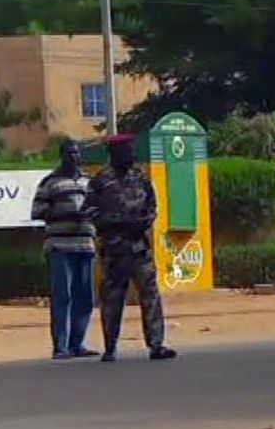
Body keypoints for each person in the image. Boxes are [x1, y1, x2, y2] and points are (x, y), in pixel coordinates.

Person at [82, 134, 177, 363]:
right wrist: (115, 222)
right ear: (114, 154)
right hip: (114, 250)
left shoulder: (140, 177)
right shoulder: (100, 180)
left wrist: (144, 221)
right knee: (113, 299)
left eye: (132, 151)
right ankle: (110, 347)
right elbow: (88, 211)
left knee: (150, 294)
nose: (131, 156)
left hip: (139, 247)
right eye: (126, 151)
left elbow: (152, 205)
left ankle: (156, 344)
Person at [31, 139, 98, 360]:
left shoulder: (90, 181)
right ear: (61, 155)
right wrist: (67, 214)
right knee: (63, 296)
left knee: (85, 296)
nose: (74, 157)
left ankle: (77, 343)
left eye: (77, 153)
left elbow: (99, 208)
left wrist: (90, 215)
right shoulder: (50, 182)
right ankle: (60, 346)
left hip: (86, 245)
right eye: (69, 153)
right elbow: (38, 211)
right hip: (60, 245)